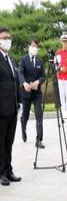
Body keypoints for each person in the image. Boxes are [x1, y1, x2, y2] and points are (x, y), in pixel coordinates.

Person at [0, 27, 22, 186]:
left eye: (9, 37)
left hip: (13, 108)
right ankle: (1, 173)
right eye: (4, 37)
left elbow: (16, 82)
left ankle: (9, 169)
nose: (7, 40)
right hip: (1, 109)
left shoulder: (11, 59)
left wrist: (19, 101)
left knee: (9, 141)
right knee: (0, 142)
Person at [19, 37, 46, 148]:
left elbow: (43, 76)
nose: (34, 48)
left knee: (39, 116)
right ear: (28, 47)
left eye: (36, 46)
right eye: (33, 46)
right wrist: (24, 83)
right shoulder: (23, 59)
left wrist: (38, 82)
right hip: (26, 93)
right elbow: (20, 73)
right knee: (25, 115)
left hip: (37, 93)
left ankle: (39, 139)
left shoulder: (40, 61)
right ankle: (23, 127)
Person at [56, 34, 67, 119]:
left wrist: (65, 68)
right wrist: (59, 68)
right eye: (63, 42)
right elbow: (56, 64)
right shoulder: (58, 52)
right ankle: (63, 112)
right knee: (62, 95)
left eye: (66, 42)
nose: (65, 43)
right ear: (61, 42)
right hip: (60, 76)